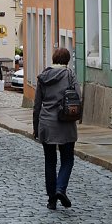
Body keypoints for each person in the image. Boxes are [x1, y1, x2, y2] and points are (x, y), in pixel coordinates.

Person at [33, 47, 79, 210]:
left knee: (50, 161)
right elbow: (77, 98)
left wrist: (36, 128)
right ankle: (61, 188)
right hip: (65, 122)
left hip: (46, 123)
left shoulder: (43, 76)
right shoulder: (69, 74)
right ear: (67, 60)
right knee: (67, 159)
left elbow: (37, 104)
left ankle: (52, 199)